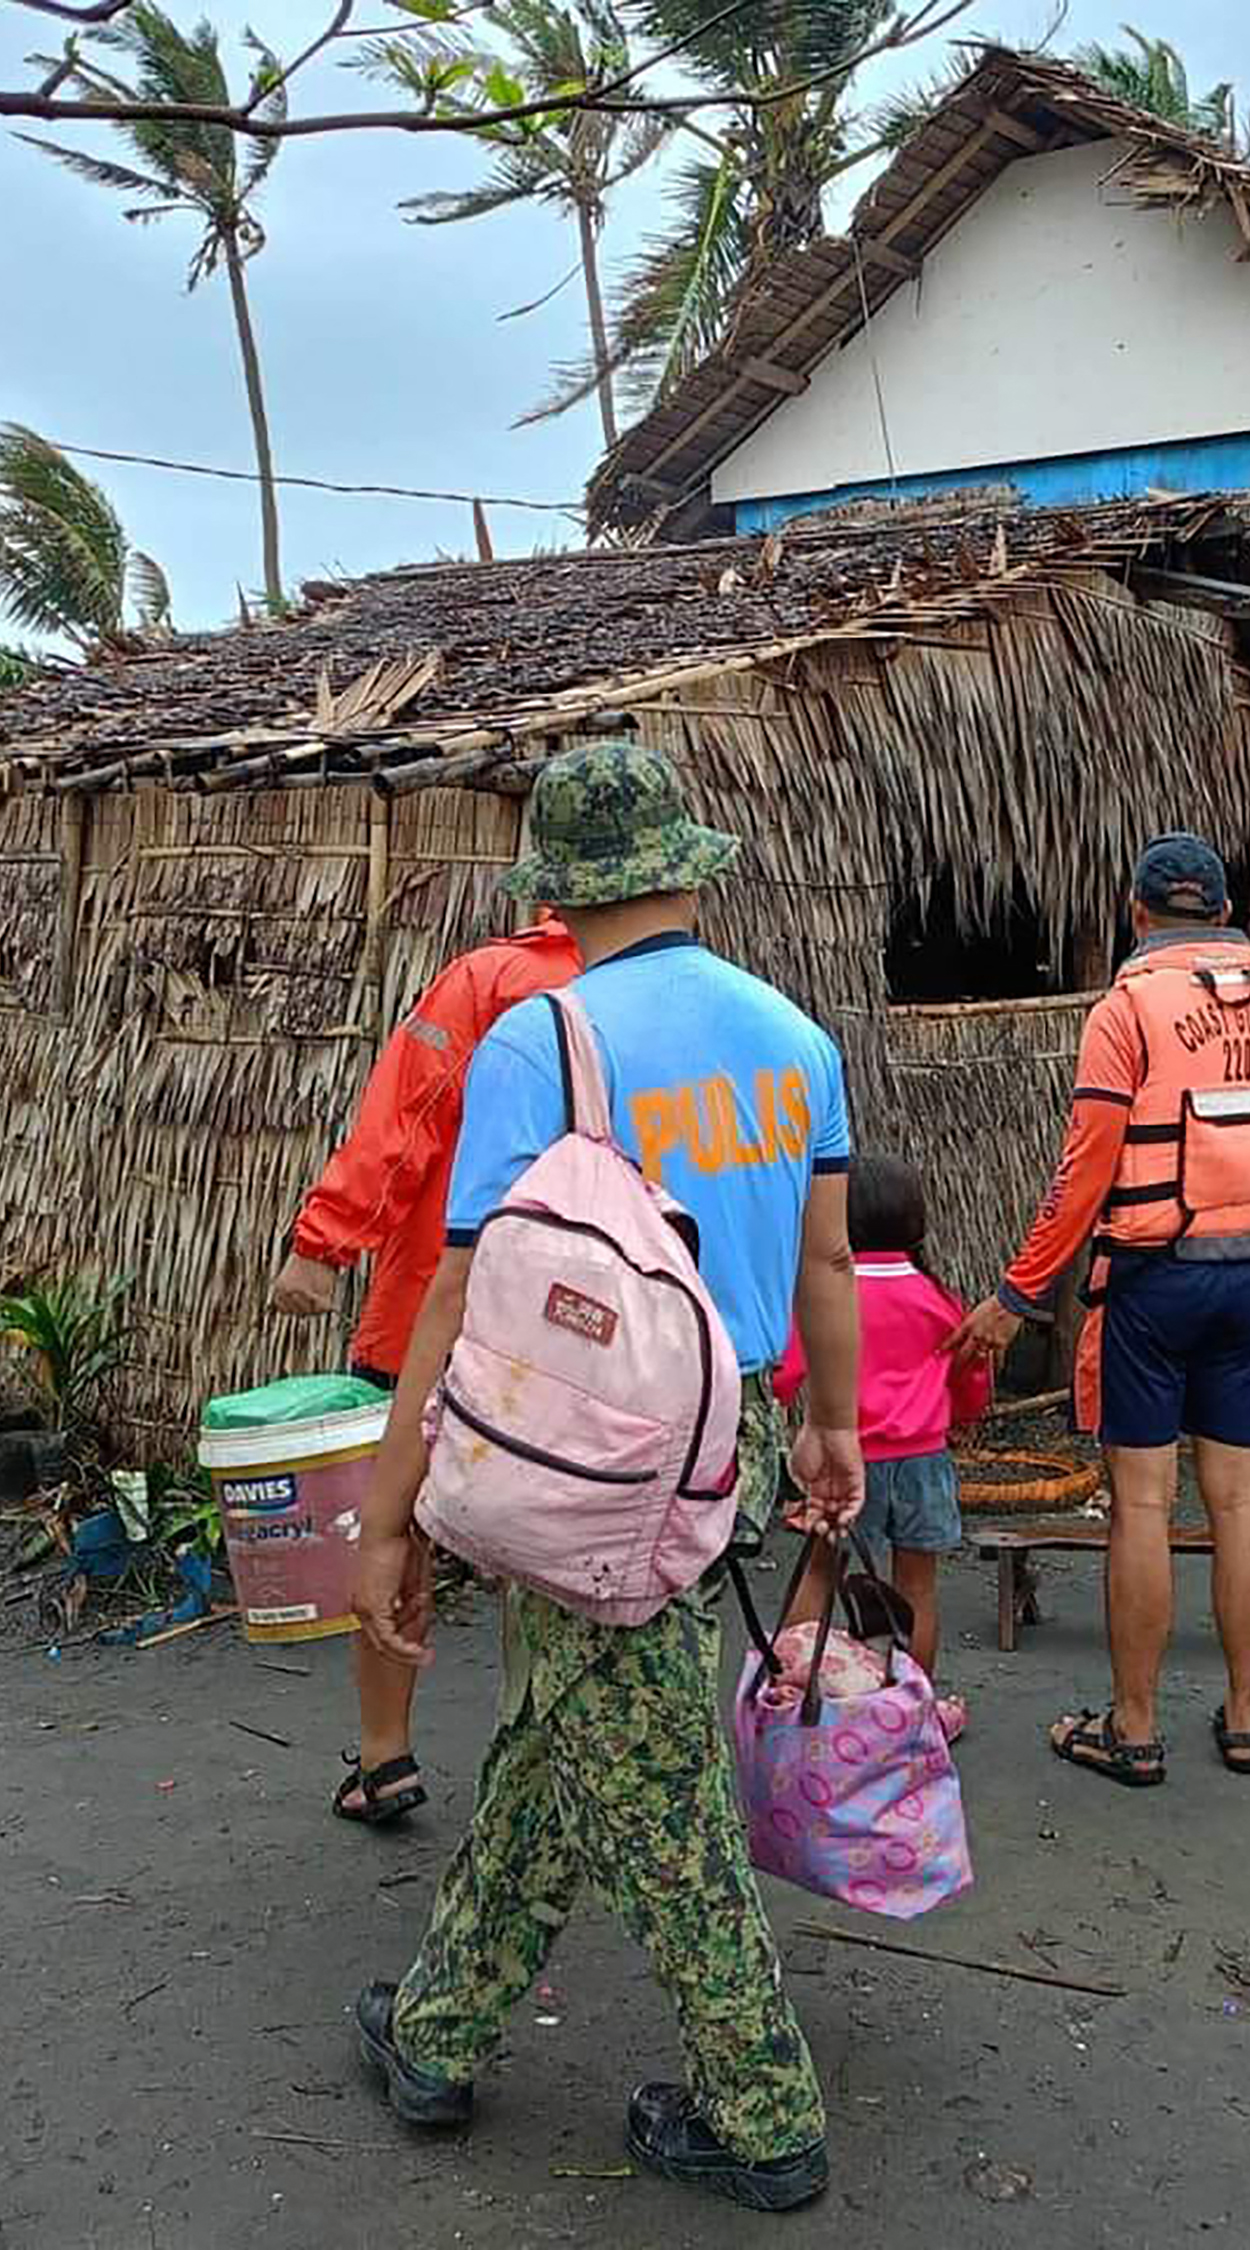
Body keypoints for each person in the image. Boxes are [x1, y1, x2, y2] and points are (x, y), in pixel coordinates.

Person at [346, 735, 866, 2217]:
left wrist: (388, 1516)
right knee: (562, 1725)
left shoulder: (543, 1041)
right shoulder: (795, 1035)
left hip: (589, 1464)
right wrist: (835, 1429)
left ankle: (764, 2110)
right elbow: (826, 1258)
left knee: (655, 1782)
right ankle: (437, 2030)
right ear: (683, 868)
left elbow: (458, 1296)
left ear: (564, 891)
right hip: (738, 1434)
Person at [951, 834, 1250, 1787]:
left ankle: (1136, 1727)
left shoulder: (1127, 1009)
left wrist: (1017, 1294)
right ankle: (1245, 1721)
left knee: (1144, 1507)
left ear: (1137, 912)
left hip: (1154, 1282)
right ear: (1228, 910)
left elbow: (1086, 1173)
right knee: (1241, 1500)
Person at [270, 911, 581, 1826]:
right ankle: (548, 1760)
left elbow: (406, 1111)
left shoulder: (489, 982)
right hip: (584, 1324)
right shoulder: (663, 999)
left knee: (396, 1522)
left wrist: (322, 1244)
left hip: (441, 1302)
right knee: (564, 1532)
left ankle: (384, 1757)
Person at [776, 1151, 989, 1738]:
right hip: (924, 1459)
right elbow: (971, 1376)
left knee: (820, 1572)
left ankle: (795, 1697)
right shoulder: (936, 1297)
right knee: (916, 1584)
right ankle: (911, 1714)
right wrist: (959, 1416)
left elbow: (786, 1371)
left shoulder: (829, 1294)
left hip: (850, 1463)